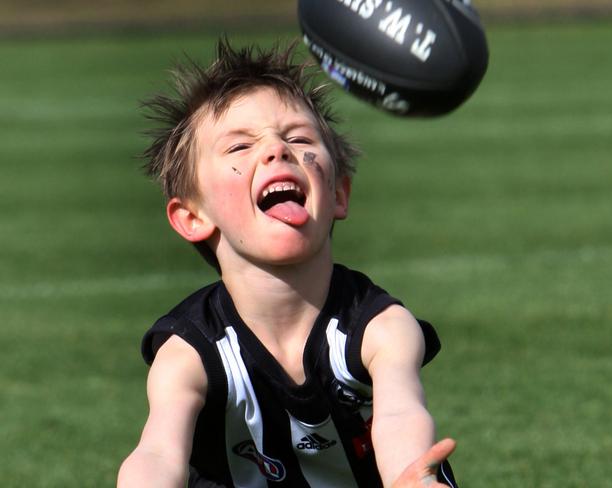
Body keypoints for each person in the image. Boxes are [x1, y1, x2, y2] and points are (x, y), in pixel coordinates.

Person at [118, 38, 458, 488]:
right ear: (192, 217)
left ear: (338, 193)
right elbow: (157, 453)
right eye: (239, 147)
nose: (277, 150)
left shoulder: (380, 326)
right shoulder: (188, 352)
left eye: (298, 137)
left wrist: (408, 477)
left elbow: (399, 413)